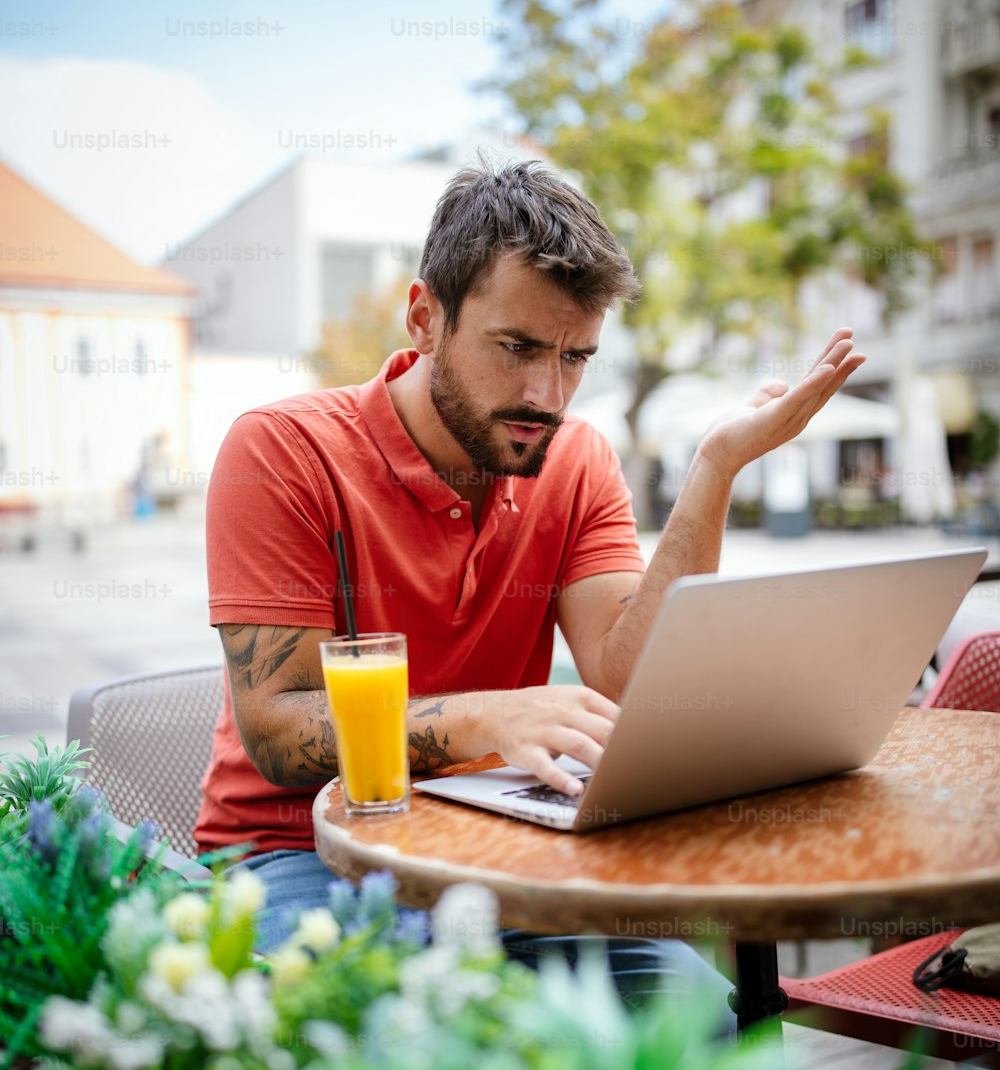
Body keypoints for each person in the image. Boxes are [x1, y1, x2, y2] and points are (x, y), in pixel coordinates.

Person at [194, 156, 864, 1010]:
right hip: (299, 856)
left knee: (697, 1019)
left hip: (491, 848)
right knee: (393, 1042)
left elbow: (631, 678)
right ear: (424, 317)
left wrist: (716, 466)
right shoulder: (281, 453)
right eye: (515, 348)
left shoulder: (575, 457)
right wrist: (490, 716)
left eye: (576, 357)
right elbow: (279, 732)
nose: (545, 393)